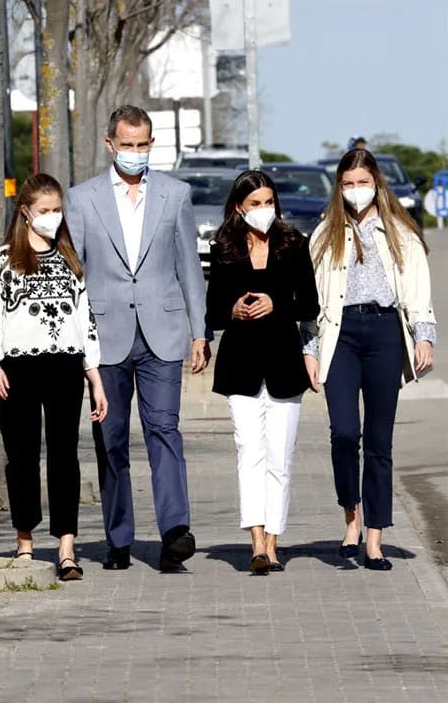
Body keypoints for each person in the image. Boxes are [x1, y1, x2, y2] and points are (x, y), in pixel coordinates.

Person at [66, 105, 210, 572]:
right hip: (106, 337)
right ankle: (118, 538)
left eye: (142, 144)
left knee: (164, 430)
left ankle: (174, 533)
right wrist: (78, 343)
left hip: (163, 332)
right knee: (110, 439)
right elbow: (75, 274)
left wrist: (199, 331)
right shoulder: (82, 199)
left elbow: (189, 265)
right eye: (126, 145)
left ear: (152, 144)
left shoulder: (175, 194)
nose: (134, 153)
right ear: (111, 144)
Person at [302, 149, 436, 570]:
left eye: (362, 182)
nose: (356, 190)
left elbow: (418, 290)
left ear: (376, 182)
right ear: (339, 188)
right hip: (339, 336)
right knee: (344, 433)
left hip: (383, 335)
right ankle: (351, 521)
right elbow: (309, 302)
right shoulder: (325, 234)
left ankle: (374, 537)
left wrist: (423, 336)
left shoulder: (400, 234)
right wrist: (309, 348)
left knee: (379, 441)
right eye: (348, 184)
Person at [0, 173, 108, 581]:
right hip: (16, 367)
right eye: (44, 211)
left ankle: (66, 546)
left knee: (65, 455)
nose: (52, 217)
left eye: (57, 210)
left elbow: (84, 320)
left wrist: (95, 375)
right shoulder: (3, 259)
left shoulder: (70, 259)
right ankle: (25, 541)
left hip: (65, 365)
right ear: (26, 212)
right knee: (22, 456)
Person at [205, 170, 319, 573]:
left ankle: (274, 541)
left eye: (269, 202)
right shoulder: (223, 248)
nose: (263, 210)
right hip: (241, 365)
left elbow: (309, 305)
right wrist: (233, 309)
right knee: (248, 451)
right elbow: (214, 310)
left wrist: (276, 304)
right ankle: (255, 541)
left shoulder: (294, 244)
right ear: (239, 207)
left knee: (280, 457)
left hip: (284, 365)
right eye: (255, 204)